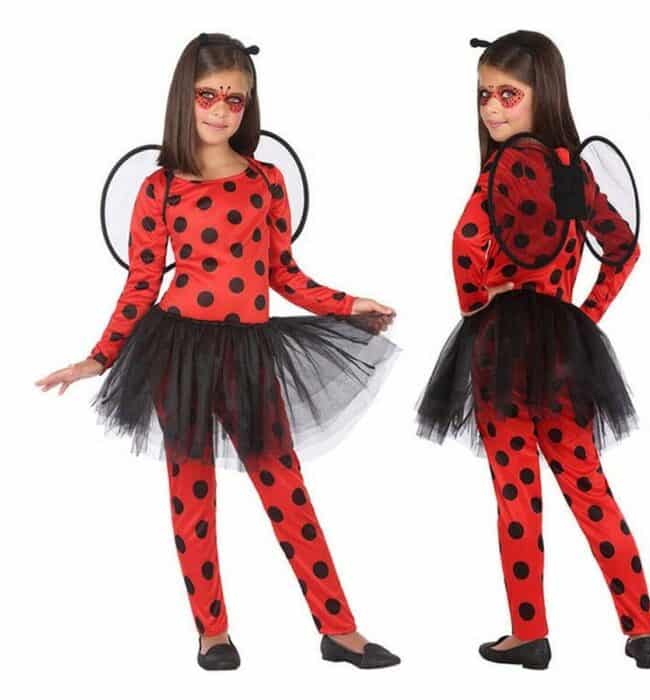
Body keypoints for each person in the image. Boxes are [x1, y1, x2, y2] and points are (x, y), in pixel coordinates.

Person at [35, 32, 400, 671]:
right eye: (208, 95)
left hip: (250, 352)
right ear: (185, 97)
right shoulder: (160, 188)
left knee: (284, 485)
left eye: (235, 99)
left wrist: (347, 304)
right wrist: (100, 357)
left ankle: (339, 629)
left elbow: (284, 274)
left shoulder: (266, 181)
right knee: (191, 491)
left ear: (248, 105)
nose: (222, 110)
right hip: (177, 350)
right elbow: (142, 283)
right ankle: (212, 631)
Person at [415, 30, 650, 670]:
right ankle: (642, 629)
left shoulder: (500, 169)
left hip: (500, 348)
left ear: (541, 95)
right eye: (483, 95)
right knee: (589, 486)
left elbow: (464, 244)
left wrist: (477, 298)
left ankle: (530, 633)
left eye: (508, 94)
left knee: (517, 492)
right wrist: (584, 316)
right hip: (561, 348)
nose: (492, 109)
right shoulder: (576, 173)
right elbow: (623, 248)